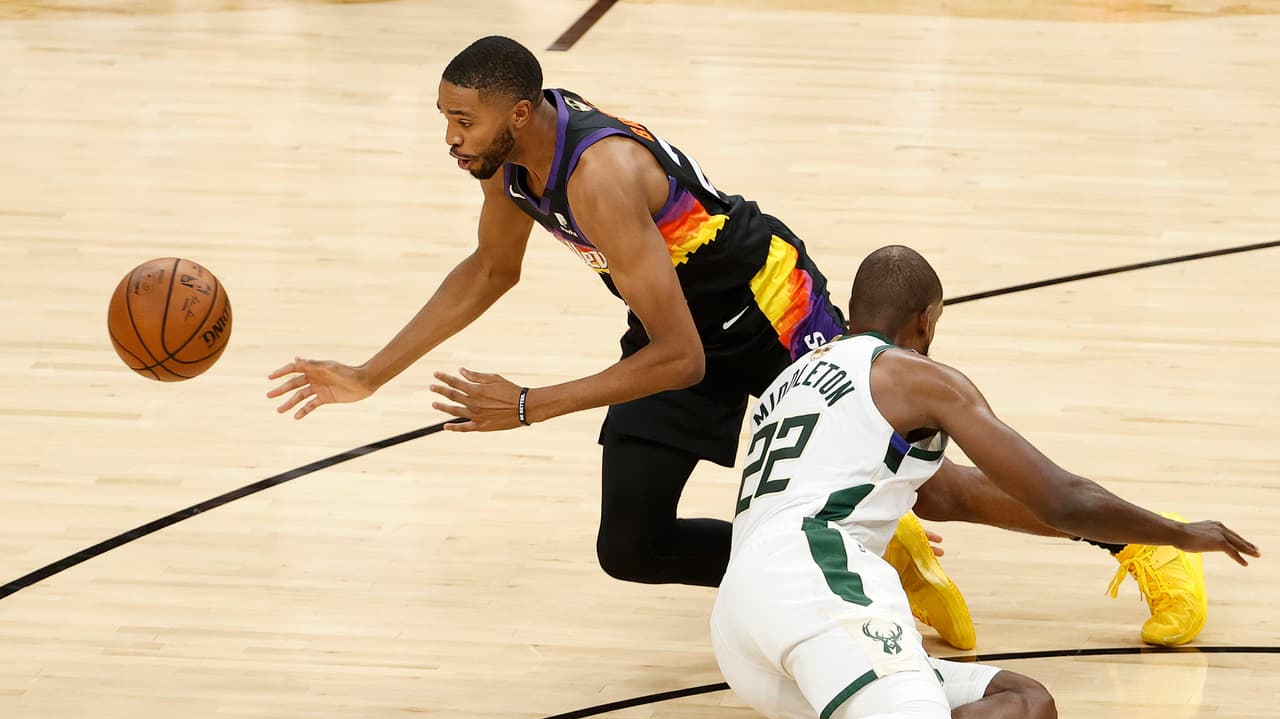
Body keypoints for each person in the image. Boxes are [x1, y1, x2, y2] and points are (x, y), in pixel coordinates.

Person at [264, 34, 1207, 648]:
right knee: (630, 542)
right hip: (677, 316)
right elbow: (490, 272)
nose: (449, 138)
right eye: (444, 119)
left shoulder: (598, 176)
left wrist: (528, 405)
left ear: (519, 113)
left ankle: (1139, 544)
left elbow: (680, 361)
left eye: (458, 121)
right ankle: (872, 564)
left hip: (763, 312)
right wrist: (369, 373)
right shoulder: (512, 163)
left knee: (937, 482)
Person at [660, 245, 1258, 719]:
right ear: (925, 320)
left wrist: (1125, 530)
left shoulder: (794, 381)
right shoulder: (917, 377)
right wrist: (1175, 531)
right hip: (816, 570)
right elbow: (1057, 493)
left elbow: (956, 494)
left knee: (1025, 701)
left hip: (743, 614)